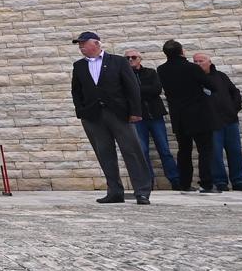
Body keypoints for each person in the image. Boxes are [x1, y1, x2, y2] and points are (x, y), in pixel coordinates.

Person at [70, 31, 153, 205]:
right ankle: (114, 191)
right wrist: (81, 111)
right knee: (105, 153)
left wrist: (135, 112)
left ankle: (142, 191)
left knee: (132, 151)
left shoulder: (118, 61)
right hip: (93, 116)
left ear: (96, 44)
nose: (81, 47)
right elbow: (76, 91)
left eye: (84, 43)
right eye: (79, 44)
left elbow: (132, 87)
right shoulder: (79, 66)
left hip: (119, 113)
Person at [157, 39, 216, 193]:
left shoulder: (162, 69)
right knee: (205, 150)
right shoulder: (192, 68)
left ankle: (184, 183)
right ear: (181, 51)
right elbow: (212, 86)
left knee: (184, 150)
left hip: (179, 116)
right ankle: (206, 183)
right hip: (199, 115)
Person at [126, 49, 180, 190]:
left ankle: (175, 180)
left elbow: (156, 89)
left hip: (155, 116)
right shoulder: (124, 75)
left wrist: (136, 90)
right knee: (142, 152)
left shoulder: (150, 72)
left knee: (164, 149)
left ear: (139, 59)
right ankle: (147, 182)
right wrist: (142, 90)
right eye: (127, 58)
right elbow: (125, 93)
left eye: (133, 57)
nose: (130, 60)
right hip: (137, 117)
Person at [194, 52, 242, 192]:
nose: (198, 63)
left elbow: (234, 92)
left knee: (235, 151)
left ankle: (239, 181)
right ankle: (220, 181)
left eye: (201, 60)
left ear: (209, 62)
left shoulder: (221, 76)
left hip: (230, 120)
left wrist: (234, 108)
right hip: (211, 122)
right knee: (215, 153)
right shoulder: (194, 80)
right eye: (195, 61)